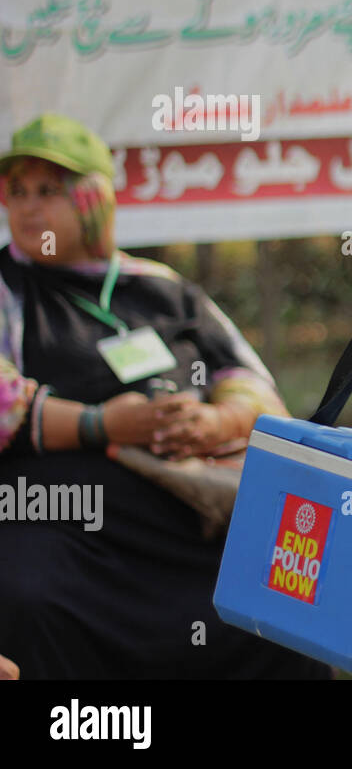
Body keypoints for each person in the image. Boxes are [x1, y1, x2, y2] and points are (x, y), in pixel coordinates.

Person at [0, 114, 329, 679]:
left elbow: (252, 382)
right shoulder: (9, 286)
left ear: (96, 198)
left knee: (281, 602)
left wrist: (216, 420)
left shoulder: (161, 288)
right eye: (17, 192)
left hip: (188, 518)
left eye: (50, 191)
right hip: (62, 527)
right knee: (30, 596)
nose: (30, 208)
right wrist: (100, 424)